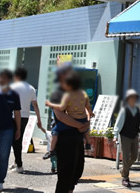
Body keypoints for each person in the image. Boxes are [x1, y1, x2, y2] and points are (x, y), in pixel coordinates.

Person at [49, 65, 89, 193]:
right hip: (65, 138)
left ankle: (70, 190)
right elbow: (60, 115)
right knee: (65, 172)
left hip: (78, 137)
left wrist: (87, 122)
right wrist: (79, 125)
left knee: (77, 169)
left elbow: (86, 108)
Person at [44, 71, 94, 159]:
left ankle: (51, 150)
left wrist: (49, 104)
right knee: (86, 129)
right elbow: (88, 106)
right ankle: (88, 143)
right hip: (83, 119)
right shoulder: (84, 93)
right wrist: (90, 113)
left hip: (72, 120)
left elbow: (61, 108)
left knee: (55, 131)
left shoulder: (67, 95)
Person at [10, 67, 43, 173]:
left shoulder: (12, 87)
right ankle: (16, 162)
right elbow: (35, 105)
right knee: (18, 139)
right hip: (25, 116)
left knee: (15, 140)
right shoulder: (31, 88)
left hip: (13, 116)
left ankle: (19, 165)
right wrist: (39, 119)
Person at [113, 89, 140, 188]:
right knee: (125, 157)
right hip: (125, 136)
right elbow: (118, 124)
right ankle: (125, 177)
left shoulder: (137, 110)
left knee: (134, 156)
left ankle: (123, 170)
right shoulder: (124, 110)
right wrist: (115, 135)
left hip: (135, 135)